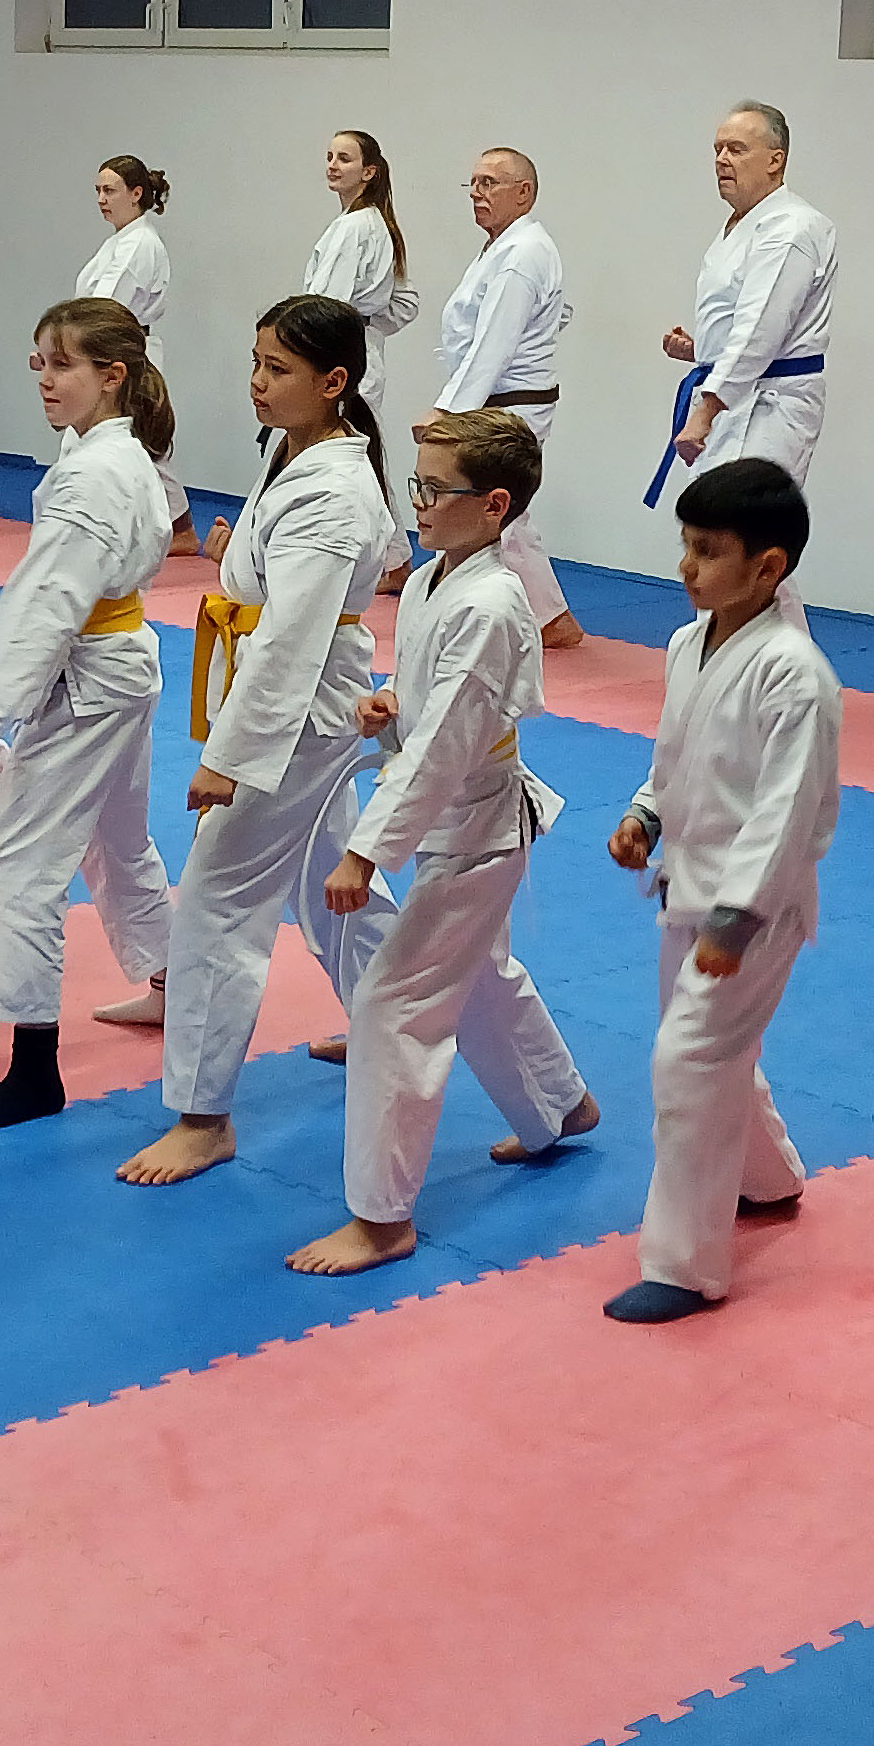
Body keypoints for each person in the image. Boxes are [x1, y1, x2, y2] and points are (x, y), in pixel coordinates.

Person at [289, 408, 597, 1272]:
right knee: (480, 978)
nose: (418, 503)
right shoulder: (435, 580)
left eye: (435, 490)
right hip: (459, 818)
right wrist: (393, 705)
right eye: (415, 485)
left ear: (495, 505)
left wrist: (365, 852)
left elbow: (447, 743)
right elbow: (435, 711)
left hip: (475, 829)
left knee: (393, 1004)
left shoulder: (494, 603)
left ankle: (382, 1218)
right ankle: (559, 1104)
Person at [121, 293, 403, 1189]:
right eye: (256, 363)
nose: (257, 382)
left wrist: (227, 761)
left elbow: (290, 641)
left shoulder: (334, 487)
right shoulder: (300, 452)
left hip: (296, 721)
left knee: (215, 902)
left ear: (334, 381)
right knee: (334, 892)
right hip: (304, 708)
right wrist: (236, 560)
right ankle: (409, 1031)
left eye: (278, 369)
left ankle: (202, 1117)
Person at [605, 457, 842, 1321]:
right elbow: (678, 757)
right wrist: (646, 813)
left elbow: (788, 809)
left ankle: (684, 1266)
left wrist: (738, 918)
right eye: (686, 545)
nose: (687, 566)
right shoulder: (688, 643)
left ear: (768, 566)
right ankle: (768, 1179)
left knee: (690, 1060)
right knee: (712, 1049)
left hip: (754, 908)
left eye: (708, 551)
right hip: (685, 884)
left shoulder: (795, 673)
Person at [0, 298, 185, 1131]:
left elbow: (47, 600)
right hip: (120, 668)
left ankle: (33, 1068)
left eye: (63, 364)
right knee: (116, 841)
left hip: (88, 683)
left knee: (16, 864)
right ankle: (176, 984)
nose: (44, 379)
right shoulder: (117, 454)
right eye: (39, 362)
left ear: (111, 375)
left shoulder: (94, 472)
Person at [422, 146, 583, 651]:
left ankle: (550, 619)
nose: (477, 193)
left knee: (496, 511)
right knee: (502, 512)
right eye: (473, 183)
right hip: (502, 398)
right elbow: (546, 315)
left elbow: (496, 340)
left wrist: (449, 411)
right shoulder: (508, 247)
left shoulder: (523, 252)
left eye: (489, 183)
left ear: (524, 193)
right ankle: (547, 616)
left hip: (509, 401)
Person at [650, 102, 834, 504]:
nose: (721, 160)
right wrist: (703, 348)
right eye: (718, 150)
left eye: (736, 149)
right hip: (734, 393)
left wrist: (705, 413)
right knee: (716, 522)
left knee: (745, 525)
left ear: (775, 160)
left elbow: (760, 330)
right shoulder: (744, 223)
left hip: (769, 405)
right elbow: (746, 321)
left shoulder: (791, 228)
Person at [77, 154, 196, 551]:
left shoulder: (140, 244)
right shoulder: (120, 241)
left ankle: (174, 528)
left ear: (137, 193)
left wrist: (69, 349)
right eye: (98, 190)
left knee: (138, 439)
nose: (101, 199)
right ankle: (178, 527)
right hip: (109, 347)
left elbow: (107, 307)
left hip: (122, 351)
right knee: (143, 441)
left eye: (110, 190)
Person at [304, 129, 420, 419]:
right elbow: (405, 303)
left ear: (368, 172)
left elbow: (324, 306)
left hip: (339, 360)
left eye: (344, 159)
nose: (332, 165)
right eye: (330, 157)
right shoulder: (376, 221)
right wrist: (367, 321)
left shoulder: (353, 227)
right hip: (363, 355)